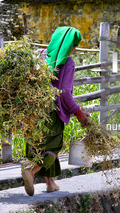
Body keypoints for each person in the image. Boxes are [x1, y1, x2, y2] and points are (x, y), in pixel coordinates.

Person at [21, 26, 89, 196]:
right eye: (74, 46)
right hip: (53, 111)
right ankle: (31, 171)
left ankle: (50, 183)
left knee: (40, 144)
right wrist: (78, 113)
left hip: (34, 109)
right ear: (70, 46)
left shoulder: (41, 55)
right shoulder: (68, 62)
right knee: (54, 145)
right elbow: (64, 93)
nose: (74, 50)